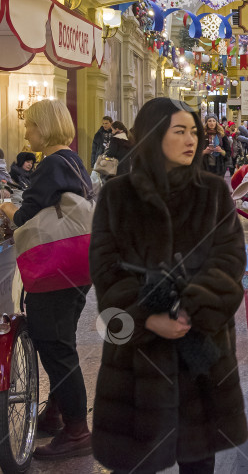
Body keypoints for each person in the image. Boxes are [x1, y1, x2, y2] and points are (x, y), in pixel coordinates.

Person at [89, 97, 248, 473]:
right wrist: (146, 316)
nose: (191, 139)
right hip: (137, 360)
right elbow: (106, 269)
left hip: (199, 348)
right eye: (180, 131)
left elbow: (229, 261)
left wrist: (191, 310)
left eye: (193, 131)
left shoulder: (212, 192)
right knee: (137, 457)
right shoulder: (117, 195)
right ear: (153, 135)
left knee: (198, 457)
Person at [0, 99, 94, 460]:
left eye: (31, 126)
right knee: (61, 341)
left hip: (56, 269)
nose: (26, 132)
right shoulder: (72, 159)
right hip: (75, 266)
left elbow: (24, 216)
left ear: (45, 127)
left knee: (54, 345)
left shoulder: (51, 163)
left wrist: (6, 205)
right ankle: (56, 414)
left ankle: (76, 431)